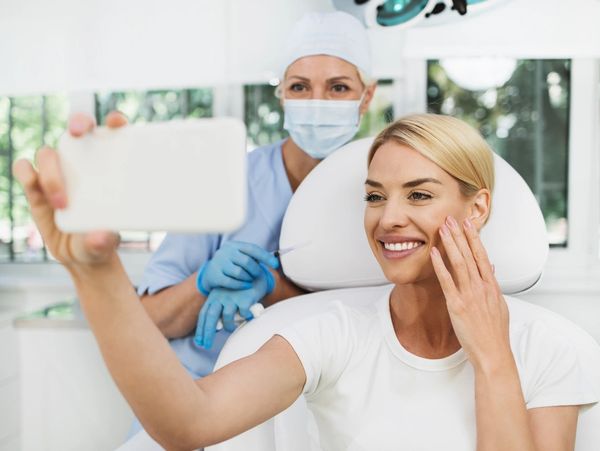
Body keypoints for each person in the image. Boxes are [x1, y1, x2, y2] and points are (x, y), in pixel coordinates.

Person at [15, 113, 598, 450]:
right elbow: (185, 424)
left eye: (418, 194)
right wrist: (95, 272)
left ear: (477, 210)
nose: (388, 217)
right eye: (374, 197)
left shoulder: (549, 347)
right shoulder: (332, 334)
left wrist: (493, 357)